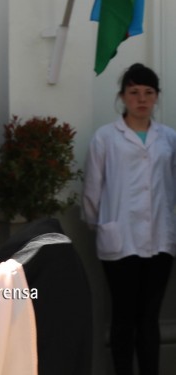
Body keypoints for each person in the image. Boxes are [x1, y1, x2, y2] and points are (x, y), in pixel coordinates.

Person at [83, 63, 176, 375]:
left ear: (157, 97)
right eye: (134, 92)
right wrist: (102, 225)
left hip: (160, 239)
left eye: (148, 93)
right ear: (122, 96)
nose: (141, 99)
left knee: (149, 317)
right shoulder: (105, 138)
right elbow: (92, 190)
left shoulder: (169, 139)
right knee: (123, 316)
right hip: (119, 239)